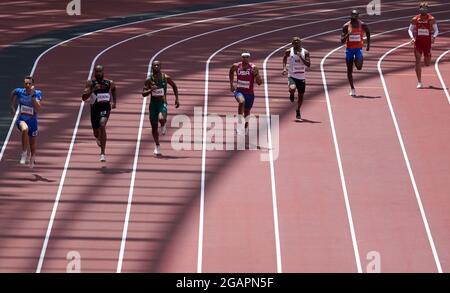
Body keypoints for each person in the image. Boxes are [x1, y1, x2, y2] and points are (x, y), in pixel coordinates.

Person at [142, 60, 179, 156]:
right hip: (153, 105)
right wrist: (151, 90)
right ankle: (157, 146)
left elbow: (174, 86)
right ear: (152, 67)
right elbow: (143, 94)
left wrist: (177, 99)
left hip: (162, 103)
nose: (156, 66)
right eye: (154, 65)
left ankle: (163, 125)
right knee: (154, 128)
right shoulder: (149, 79)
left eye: (158, 65)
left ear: (160, 67)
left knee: (161, 118)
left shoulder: (165, 77)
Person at [81, 65, 117, 162]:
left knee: (102, 125)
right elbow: (84, 98)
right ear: (94, 72)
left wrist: (114, 102)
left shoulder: (109, 82)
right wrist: (93, 90)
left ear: (103, 72)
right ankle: (97, 137)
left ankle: (102, 153)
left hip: (105, 107)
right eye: (96, 71)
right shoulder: (90, 83)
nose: (98, 73)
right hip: (94, 109)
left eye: (100, 71)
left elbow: (113, 89)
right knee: (96, 132)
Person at [10, 76, 42, 168]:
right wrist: (12, 105)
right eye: (26, 83)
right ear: (24, 84)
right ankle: (24, 153)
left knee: (32, 145)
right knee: (25, 129)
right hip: (22, 120)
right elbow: (13, 93)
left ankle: (32, 157)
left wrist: (32, 96)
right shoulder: (19, 91)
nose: (27, 85)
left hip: (33, 122)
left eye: (29, 83)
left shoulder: (37, 93)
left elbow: (38, 108)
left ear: (32, 84)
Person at [229, 51, 263, 134]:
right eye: (244, 57)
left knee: (247, 111)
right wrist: (231, 84)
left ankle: (246, 126)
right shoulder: (236, 66)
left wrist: (256, 75)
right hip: (239, 91)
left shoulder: (253, 68)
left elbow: (259, 83)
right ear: (241, 57)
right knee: (241, 101)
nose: (245, 58)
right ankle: (240, 123)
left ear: (249, 58)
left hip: (250, 93)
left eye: (247, 57)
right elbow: (231, 72)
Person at [408, 2, 439, 89]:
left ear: (427, 9)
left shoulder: (431, 19)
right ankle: (419, 82)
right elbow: (410, 29)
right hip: (418, 43)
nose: (423, 10)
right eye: (422, 8)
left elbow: (437, 30)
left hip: (427, 43)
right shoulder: (415, 19)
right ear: (419, 8)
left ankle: (428, 55)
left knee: (427, 63)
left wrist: (434, 37)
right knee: (417, 61)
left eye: (425, 8)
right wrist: (412, 38)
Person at [341, 9, 370, 97]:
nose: (353, 18)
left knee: (359, 67)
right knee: (349, 70)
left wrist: (368, 44)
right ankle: (352, 89)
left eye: (355, 16)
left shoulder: (363, 25)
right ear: (350, 16)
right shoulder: (346, 26)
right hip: (349, 49)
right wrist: (347, 35)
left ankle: (355, 62)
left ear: (357, 16)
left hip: (358, 49)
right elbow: (342, 41)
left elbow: (368, 33)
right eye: (352, 16)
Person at [282, 37, 311, 121]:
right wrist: (284, 68)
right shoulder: (288, 51)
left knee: (301, 96)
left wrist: (300, 57)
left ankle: (298, 109)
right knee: (292, 88)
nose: (296, 42)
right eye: (295, 41)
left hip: (301, 77)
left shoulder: (305, 52)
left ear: (300, 43)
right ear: (292, 43)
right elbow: (284, 58)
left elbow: (308, 64)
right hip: (292, 75)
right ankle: (291, 94)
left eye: (298, 41)